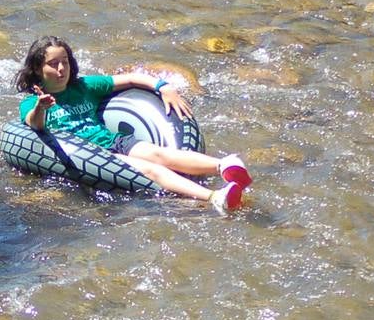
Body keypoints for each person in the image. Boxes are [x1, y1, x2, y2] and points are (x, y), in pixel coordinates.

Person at [15, 36, 251, 214]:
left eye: (64, 62)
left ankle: (224, 165)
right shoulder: (31, 103)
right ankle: (213, 197)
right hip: (89, 154)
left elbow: (130, 78)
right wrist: (42, 107)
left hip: (111, 140)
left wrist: (163, 87)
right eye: (53, 64)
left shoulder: (84, 86)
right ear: (37, 69)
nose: (61, 70)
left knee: (159, 153)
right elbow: (34, 124)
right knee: (151, 170)